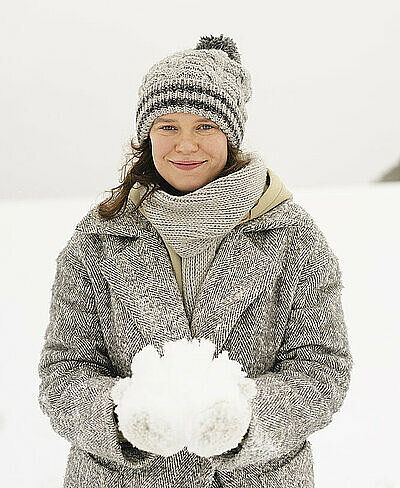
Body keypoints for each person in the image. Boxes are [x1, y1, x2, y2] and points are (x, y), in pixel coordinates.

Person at [38, 34, 354, 488]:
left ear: (231, 134)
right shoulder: (98, 240)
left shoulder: (294, 238)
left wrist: (245, 419)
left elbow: (323, 370)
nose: (185, 145)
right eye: (168, 126)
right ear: (146, 136)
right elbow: (61, 372)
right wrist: (124, 415)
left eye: (205, 126)